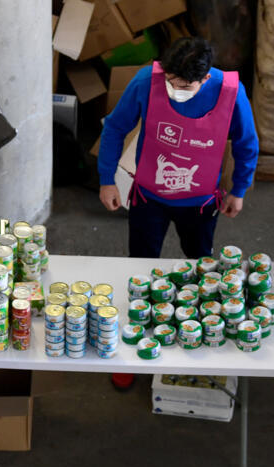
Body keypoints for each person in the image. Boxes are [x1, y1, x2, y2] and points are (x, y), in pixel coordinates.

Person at [98, 37, 258, 390]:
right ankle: (135, 344)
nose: (175, 89)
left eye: (184, 85)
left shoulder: (231, 94)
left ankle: (198, 336)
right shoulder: (146, 82)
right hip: (148, 197)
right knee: (139, 268)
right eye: (170, 80)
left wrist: (238, 190)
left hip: (200, 203)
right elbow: (114, 128)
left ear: (204, 78)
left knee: (202, 268)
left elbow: (247, 144)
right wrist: (107, 180)